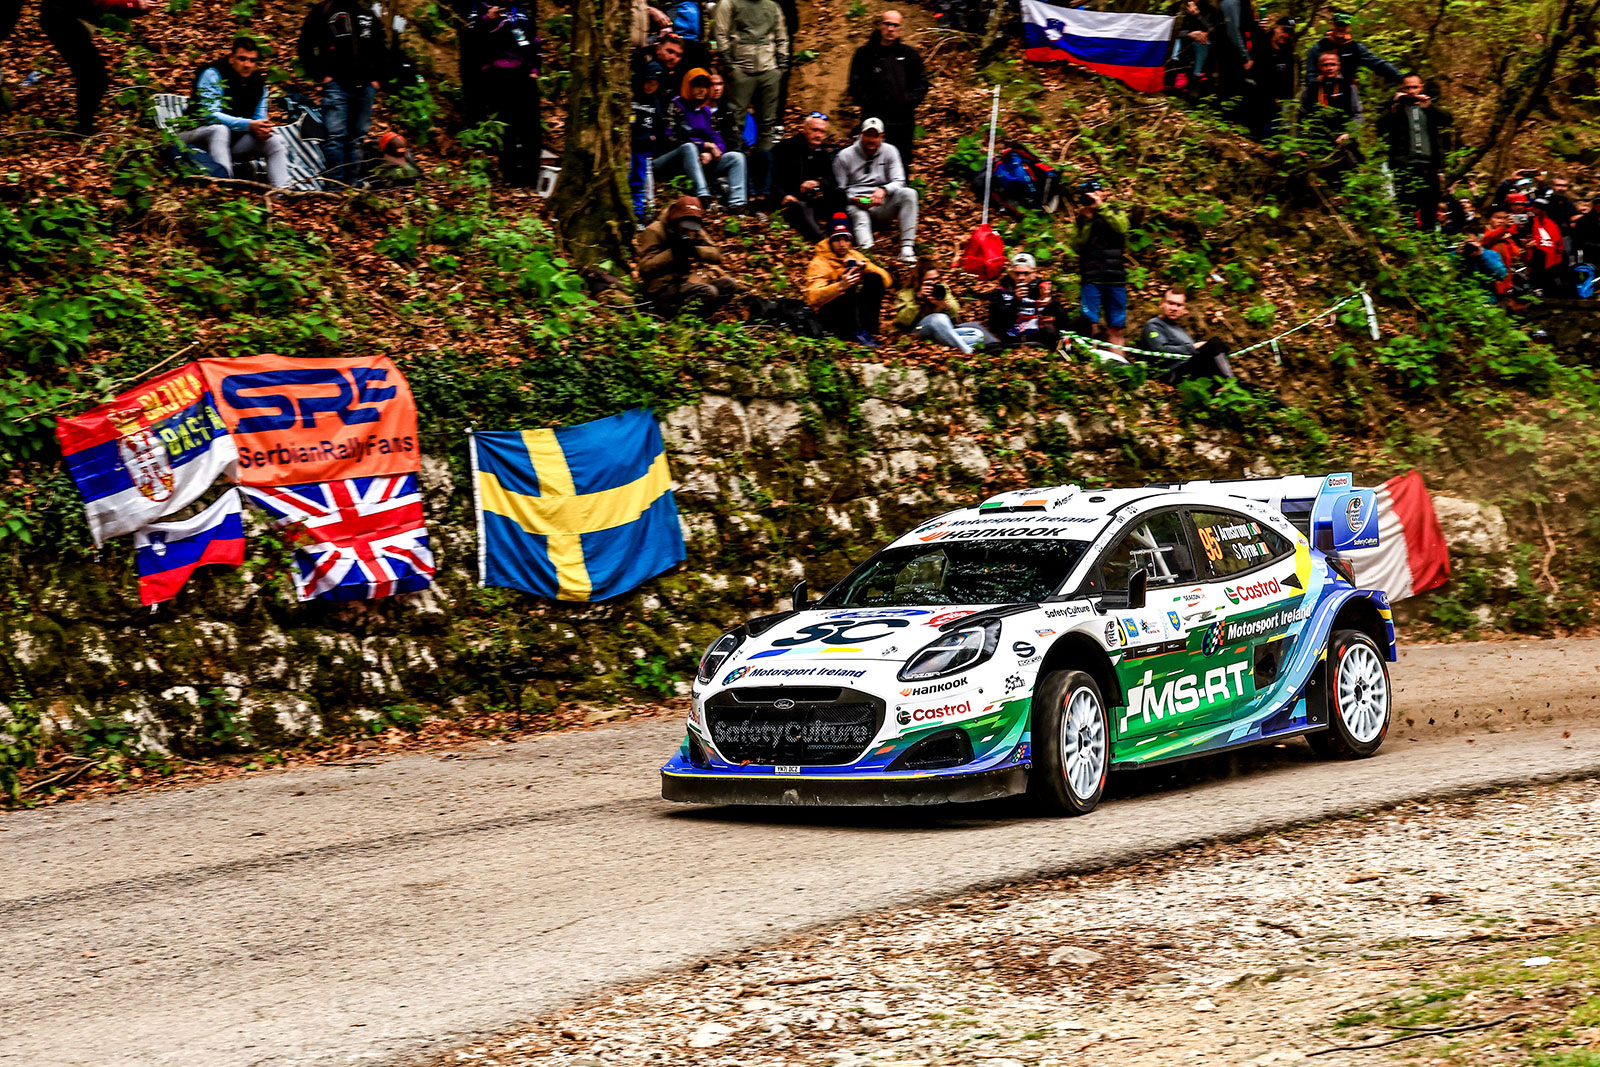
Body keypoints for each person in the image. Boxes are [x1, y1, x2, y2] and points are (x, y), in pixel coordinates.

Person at [298, 0, 392, 184]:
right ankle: (336, 185)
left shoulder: (367, 14)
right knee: (335, 136)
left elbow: (381, 47)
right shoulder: (324, 10)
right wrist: (320, 74)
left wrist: (378, 79)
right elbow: (305, 44)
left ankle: (353, 185)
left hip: (365, 86)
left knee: (357, 137)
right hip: (336, 85)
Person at [179, 37, 290, 188]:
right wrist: (248, 125)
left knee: (273, 141)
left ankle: (282, 192)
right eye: (242, 59)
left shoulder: (259, 84)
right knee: (220, 130)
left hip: (230, 143)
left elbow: (259, 118)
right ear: (231, 58)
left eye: (252, 60)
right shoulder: (213, 73)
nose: (247, 65)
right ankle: (225, 187)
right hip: (193, 136)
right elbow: (210, 115)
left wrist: (262, 129)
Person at [38, 0, 158, 135]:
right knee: (94, 77)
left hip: (65, 17)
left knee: (91, 75)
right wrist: (134, 4)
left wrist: (136, 7)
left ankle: (84, 125)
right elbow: (101, 2)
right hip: (61, 20)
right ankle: (84, 128)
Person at [466, 1, 542, 186]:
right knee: (506, 126)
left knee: (530, 127)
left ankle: (531, 175)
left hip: (524, 76)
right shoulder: (480, 10)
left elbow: (534, 41)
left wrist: (534, 68)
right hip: (498, 77)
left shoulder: (520, 13)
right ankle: (509, 174)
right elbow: (471, 38)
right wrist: (488, 18)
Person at [846, 9, 927, 168]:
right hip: (873, 119)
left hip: (902, 120)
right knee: (870, 160)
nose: (891, 29)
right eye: (887, 24)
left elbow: (922, 83)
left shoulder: (909, 54)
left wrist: (907, 102)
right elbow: (855, 84)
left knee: (901, 162)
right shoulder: (864, 53)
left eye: (895, 25)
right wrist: (867, 103)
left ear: (900, 29)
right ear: (880, 25)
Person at [635, 195, 741, 315]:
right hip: (663, 287)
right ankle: (679, 315)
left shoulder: (692, 227)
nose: (688, 230)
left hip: (686, 282)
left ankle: (697, 314)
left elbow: (717, 255)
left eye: (692, 226)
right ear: (676, 218)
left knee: (728, 285)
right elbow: (645, 268)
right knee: (709, 292)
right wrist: (673, 253)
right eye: (685, 225)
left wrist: (694, 251)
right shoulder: (655, 230)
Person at [1374, 73, 1452, 231]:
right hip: (1404, 165)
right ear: (1401, 89)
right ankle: (1410, 239)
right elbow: (1380, 128)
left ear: (1421, 87)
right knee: (1407, 207)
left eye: (1415, 87)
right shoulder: (1396, 108)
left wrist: (1430, 107)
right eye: (1407, 88)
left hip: (1429, 165)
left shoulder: (1429, 106)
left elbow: (1448, 120)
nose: (1411, 91)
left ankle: (1429, 239)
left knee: (1429, 207)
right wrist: (1393, 106)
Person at [832, 117, 918, 262]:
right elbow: (839, 190)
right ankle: (868, 253)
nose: (871, 140)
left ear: (882, 137)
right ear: (861, 135)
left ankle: (907, 248)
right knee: (859, 216)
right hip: (856, 203)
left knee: (909, 193)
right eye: (868, 135)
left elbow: (899, 181)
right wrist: (853, 199)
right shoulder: (844, 156)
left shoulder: (890, 151)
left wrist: (883, 190)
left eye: (875, 136)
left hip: (882, 203)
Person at [804, 212, 892, 346]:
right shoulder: (819, 262)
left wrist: (864, 266)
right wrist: (839, 286)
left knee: (874, 278)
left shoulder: (854, 255)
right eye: (837, 240)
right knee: (849, 284)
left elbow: (886, 280)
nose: (842, 244)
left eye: (846, 239)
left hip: (851, 309)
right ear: (830, 240)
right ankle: (856, 332)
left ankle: (869, 330)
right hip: (829, 314)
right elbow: (812, 297)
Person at [712, 0, 787, 155]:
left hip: (768, 68)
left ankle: (764, 163)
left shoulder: (772, 5)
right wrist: (729, 65)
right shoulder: (729, 3)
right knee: (735, 121)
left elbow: (781, 35)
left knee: (767, 123)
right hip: (741, 69)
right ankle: (736, 160)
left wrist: (781, 65)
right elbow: (719, 33)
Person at [670, 67, 748, 210]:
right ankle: (703, 196)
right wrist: (705, 146)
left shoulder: (706, 110)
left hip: (705, 160)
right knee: (689, 147)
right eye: (697, 86)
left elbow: (718, 139)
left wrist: (711, 153)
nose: (701, 90)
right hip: (677, 159)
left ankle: (737, 203)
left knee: (737, 157)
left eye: (705, 86)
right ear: (688, 86)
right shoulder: (676, 105)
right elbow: (674, 138)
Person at [769, 111, 844, 242]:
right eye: (814, 130)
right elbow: (768, 177)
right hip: (788, 202)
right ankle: (821, 242)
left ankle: (841, 235)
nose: (818, 135)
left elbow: (832, 180)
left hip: (811, 201)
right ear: (804, 129)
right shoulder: (785, 148)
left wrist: (818, 184)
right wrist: (782, 196)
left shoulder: (822, 153)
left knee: (839, 195)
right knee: (800, 207)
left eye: (822, 132)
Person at [1070, 184, 1129, 349]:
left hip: (1115, 277)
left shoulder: (1115, 211)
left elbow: (1122, 228)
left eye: (1095, 193)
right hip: (1091, 277)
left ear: (1102, 194)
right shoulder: (1082, 220)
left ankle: (1119, 362)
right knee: (1089, 326)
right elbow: (1077, 246)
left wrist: (1101, 208)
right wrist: (1088, 221)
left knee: (1117, 327)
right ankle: (1090, 362)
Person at [895, 259, 995, 353]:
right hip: (917, 331)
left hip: (942, 332)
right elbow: (904, 320)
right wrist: (919, 299)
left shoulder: (941, 288)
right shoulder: (907, 293)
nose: (934, 283)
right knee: (938, 318)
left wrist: (944, 305)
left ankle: (939, 343)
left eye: (936, 279)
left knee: (977, 334)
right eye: (929, 280)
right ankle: (967, 352)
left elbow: (956, 311)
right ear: (920, 281)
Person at [1139, 288, 1237, 381]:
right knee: (1214, 343)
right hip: (1173, 373)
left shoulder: (1179, 329)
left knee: (1219, 345)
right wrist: (1192, 347)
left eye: (1179, 305)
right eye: (1171, 303)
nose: (1174, 308)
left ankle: (1225, 384)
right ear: (1161, 303)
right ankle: (1229, 382)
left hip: (1190, 368)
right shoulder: (1154, 325)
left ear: (1184, 308)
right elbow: (1159, 350)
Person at [1297, 50, 1362, 180]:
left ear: (1339, 66)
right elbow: (1299, 117)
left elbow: (1357, 114)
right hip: (1317, 142)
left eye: (1332, 64)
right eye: (1325, 65)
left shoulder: (1347, 87)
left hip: (1343, 142)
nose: (1329, 68)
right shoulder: (1310, 87)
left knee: (1349, 177)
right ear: (1319, 67)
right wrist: (1300, 144)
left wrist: (1349, 133)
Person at [1301, 11, 1400, 91]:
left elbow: (1378, 64)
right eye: (1338, 24)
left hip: (1347, 93)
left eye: (1344, 25)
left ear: (1349, 27)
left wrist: (1401, 78)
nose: (1341, 28)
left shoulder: (1355, 48)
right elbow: (1310, 75)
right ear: (1332, 25)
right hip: (1322, 93)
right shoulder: (1318, 48)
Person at [987, 253, 1069, 349]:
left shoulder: (1042, 290)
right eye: (1017, 273)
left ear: (1034, 274)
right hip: (1011, 339)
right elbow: (995, 324)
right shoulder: (1001, 292)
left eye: (1026, 273)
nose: (1021, 278)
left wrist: (1051, 304)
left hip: (1039, 338)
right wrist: (1016, 302)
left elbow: (1063, 322)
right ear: (1011, 274)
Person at [630, 64, 674, 217]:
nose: (650, 87)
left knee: (640, 180)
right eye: (649, 82)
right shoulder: (631, 97)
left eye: (655, 84)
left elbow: (659, 129)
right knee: (630, 178)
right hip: (627, 147)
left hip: (644, 149)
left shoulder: (656, 103)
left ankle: (642, 213)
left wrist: (651, 140)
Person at [1246, 17, 1297, 139]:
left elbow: (1289, 81)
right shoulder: (1260, 44)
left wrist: (1286, 102)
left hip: (1278, 106)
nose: (1285, 35)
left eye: (1289, 32)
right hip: (1256, 101)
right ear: (1275, 27)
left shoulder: (1288, 52)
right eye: (1284, 30)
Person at [1456, 232, 1507, 304]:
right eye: (1466, 243)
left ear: (1478, 241)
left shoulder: (1489, 254)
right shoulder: (1456, 255)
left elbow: (1502, 275)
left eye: (1472, 242)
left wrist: (1482, 255)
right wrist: (1457, 256)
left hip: (1487, 299)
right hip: (1463, 299)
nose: (1469, 246)